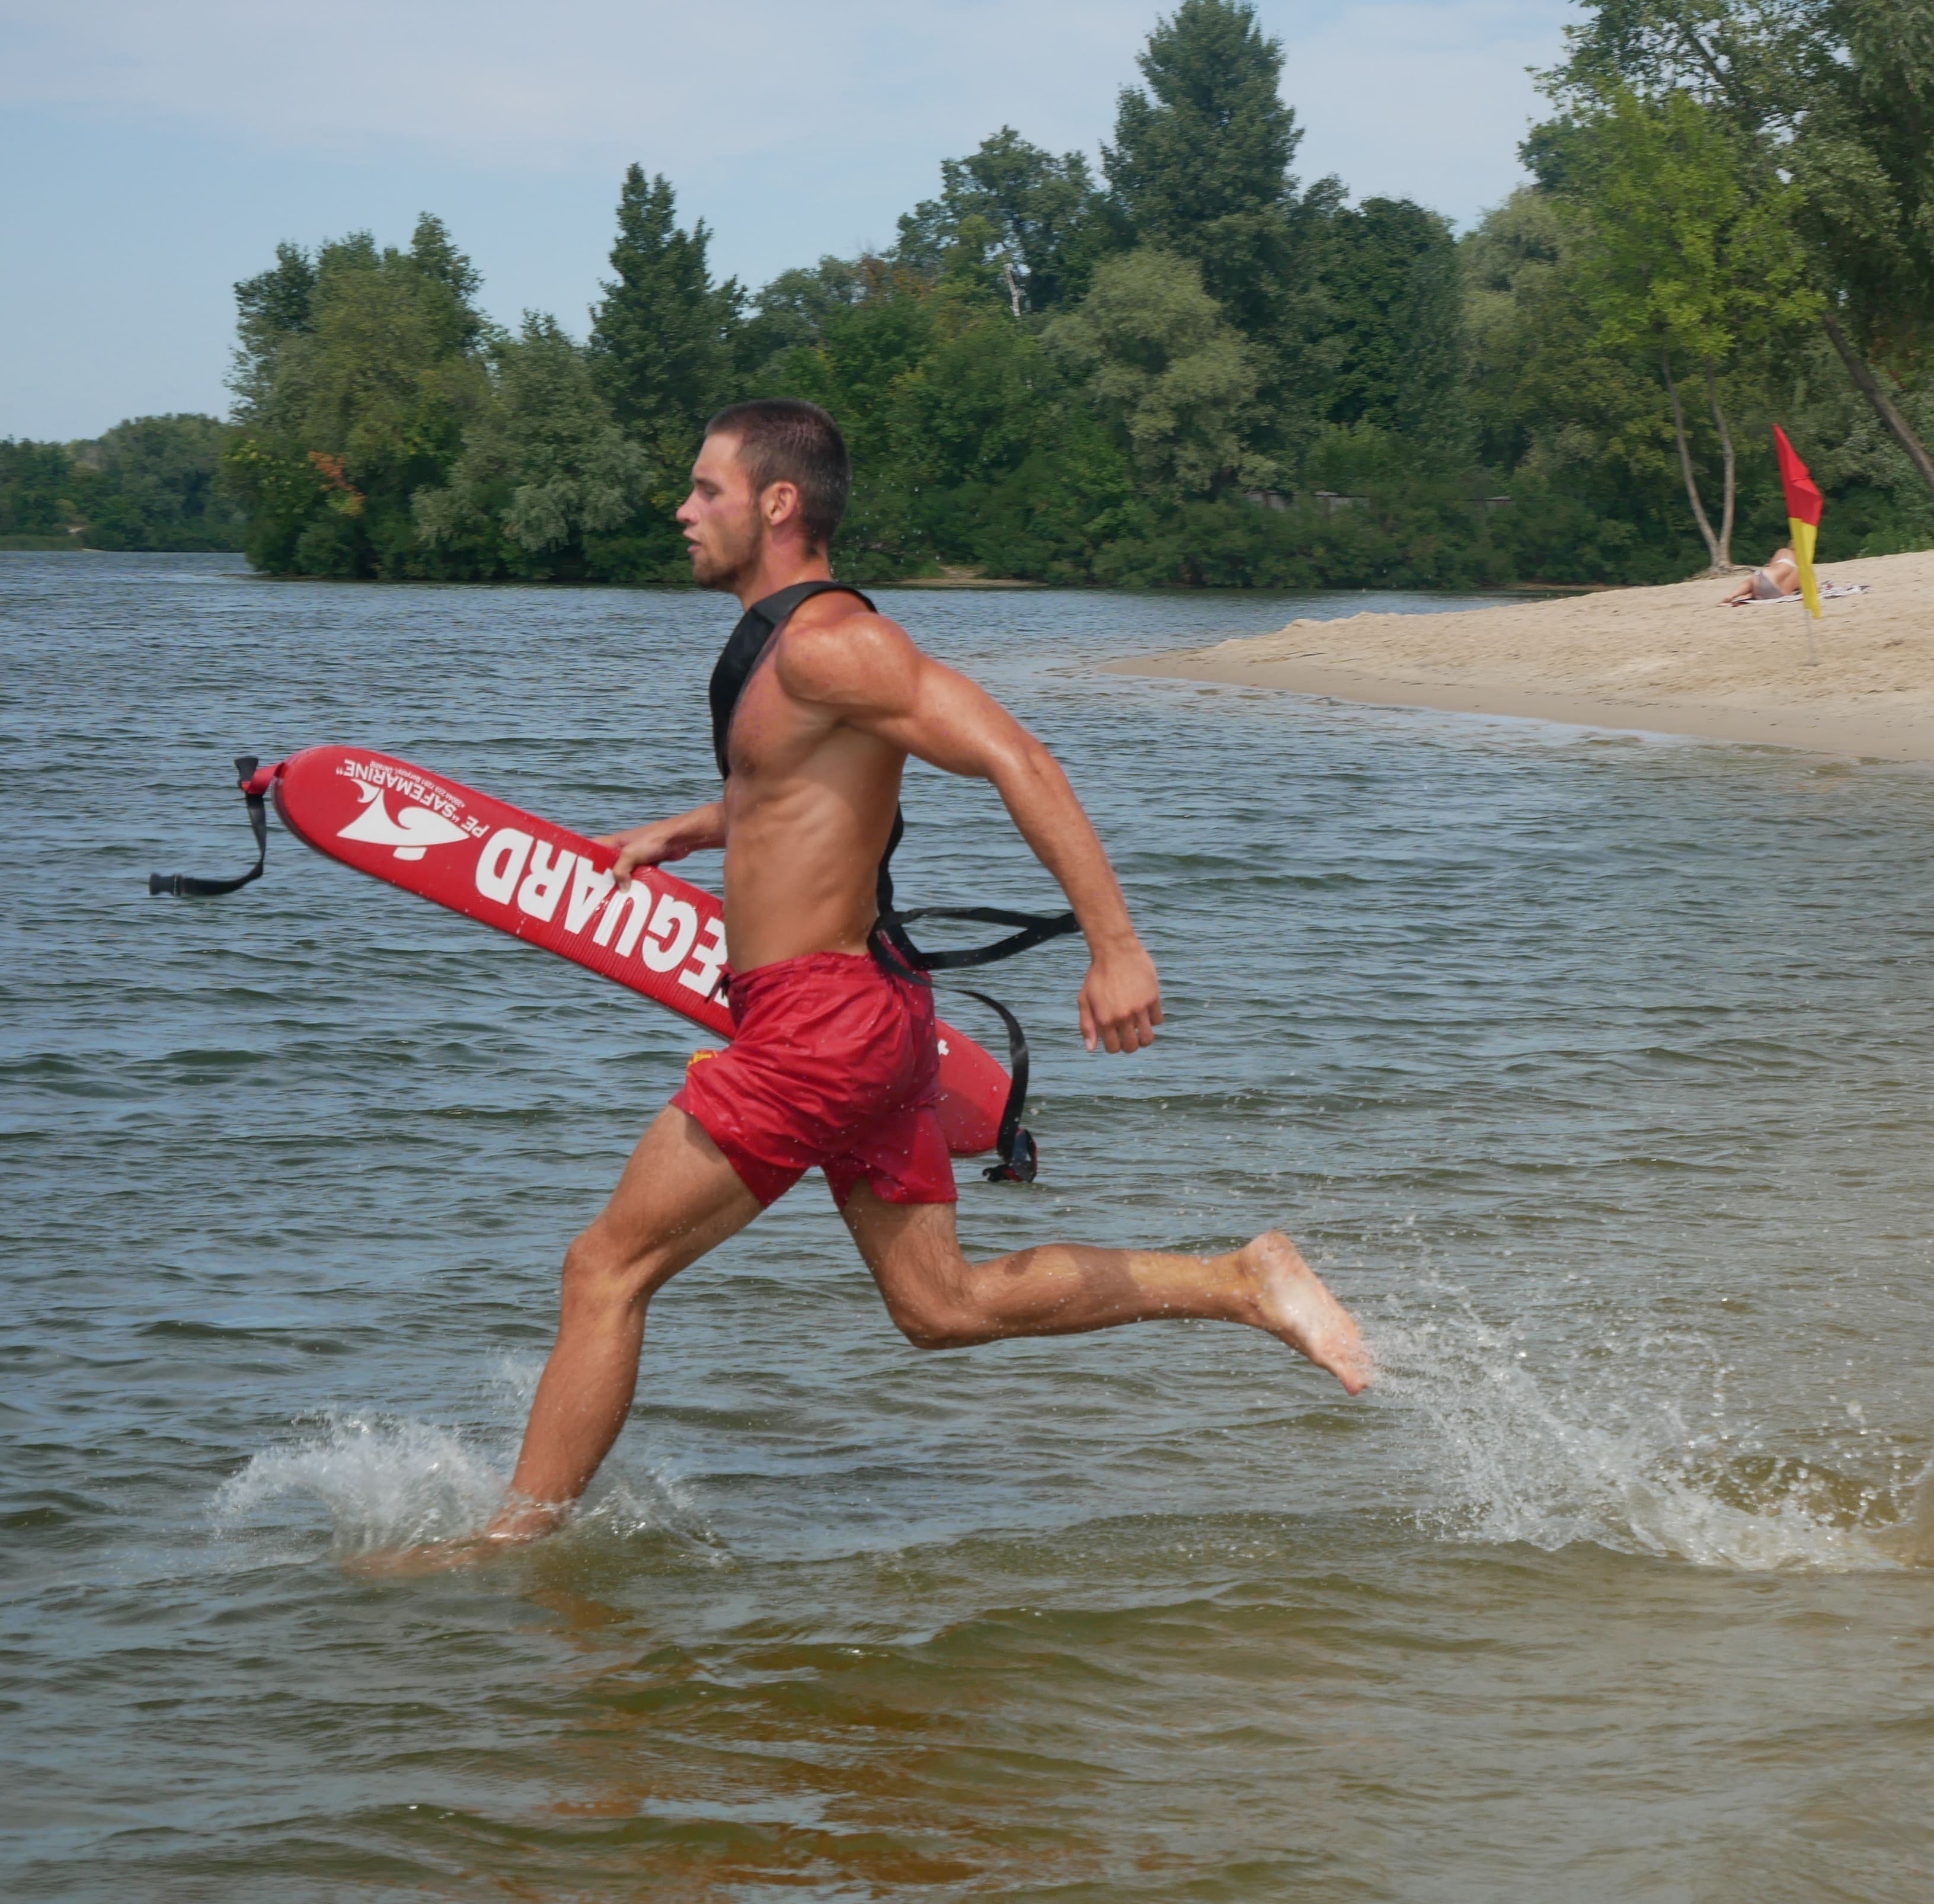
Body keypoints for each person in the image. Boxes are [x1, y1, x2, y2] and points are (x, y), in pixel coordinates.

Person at [462, 399, 1371, 1554]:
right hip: (869, 1019)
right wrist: (698, 829)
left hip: (818, 1026)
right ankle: (1243, 1280)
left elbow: (1013, 753)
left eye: (705, 489)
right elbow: (802, 788)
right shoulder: (780, 650)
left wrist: (1116, 945)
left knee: (604, 1267)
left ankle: (505, 1557)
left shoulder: (834, 643)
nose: (681, 510)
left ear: (776, 503)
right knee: (938, 1308)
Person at [1720, 546, 1800, 605]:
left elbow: (1772, 566)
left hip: (1766, 579)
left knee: (1751, 582)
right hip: (1780, 594)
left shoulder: (1785, 552)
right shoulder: (1803, 571)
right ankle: (1751, 595)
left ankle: (1733, 595)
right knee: (1770, 584)